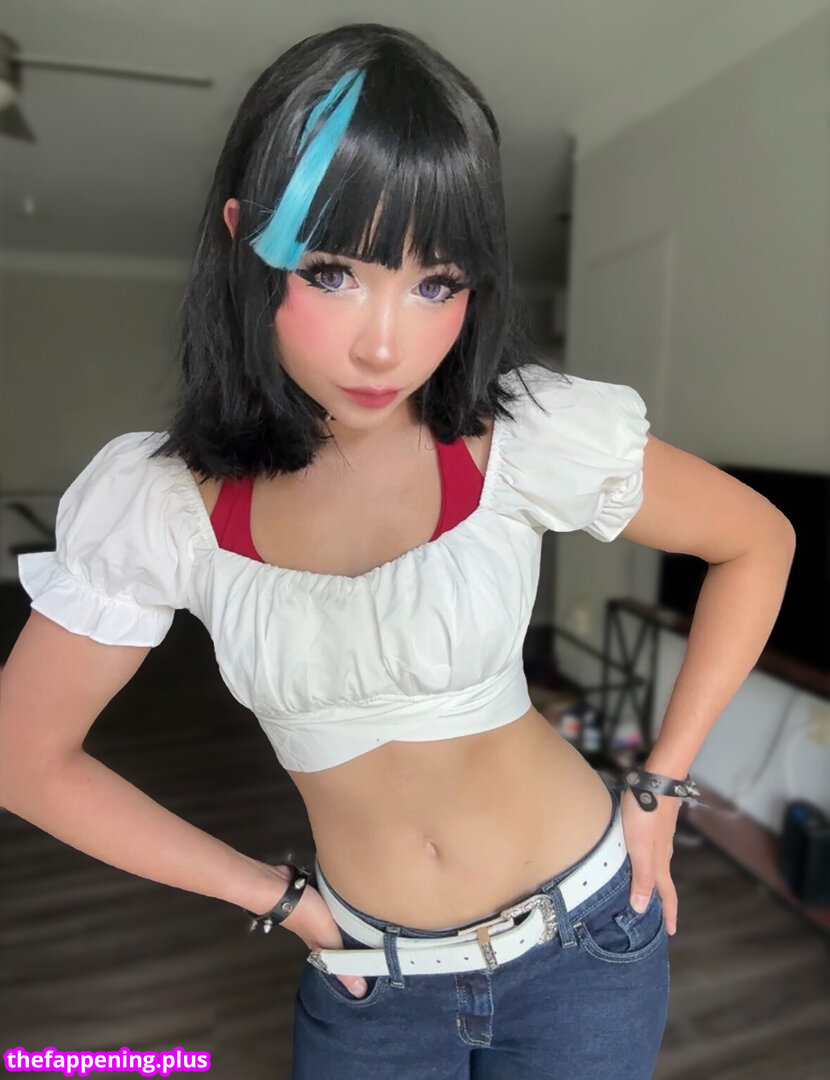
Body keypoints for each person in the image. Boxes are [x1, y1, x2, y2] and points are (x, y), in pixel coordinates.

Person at [0, 22, 796, 1080]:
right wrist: (272, 896)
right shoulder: (162, 502)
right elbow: (23, 757)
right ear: (243, 243)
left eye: (435, 283)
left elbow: (757, 540)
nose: (386, 345)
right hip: (369, 982)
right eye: (332, 271)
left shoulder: (519, 437)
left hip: (588, 944)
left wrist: (660, 786)